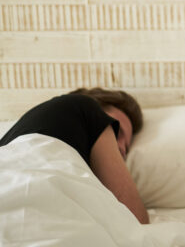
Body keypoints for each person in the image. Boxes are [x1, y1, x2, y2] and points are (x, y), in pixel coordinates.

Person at [0, 87, 150, 224]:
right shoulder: (85, 107)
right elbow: (135, 219)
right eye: (117, 132)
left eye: (127, 148)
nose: (122, 149)